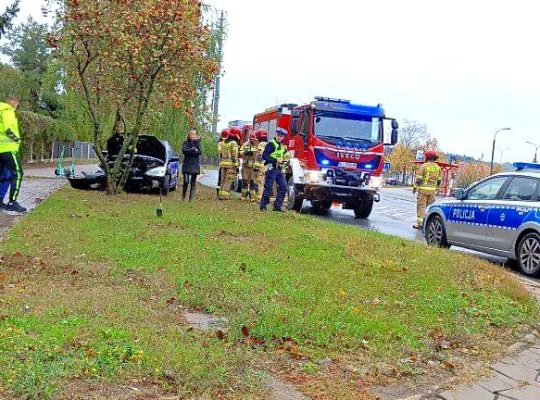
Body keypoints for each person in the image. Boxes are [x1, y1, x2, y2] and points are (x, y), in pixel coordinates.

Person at [0, 96, 26, 213]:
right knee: (18, 174)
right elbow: (8, 130)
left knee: (3, 176)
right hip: (9, 148)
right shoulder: (8, 111)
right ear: (14, 103)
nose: (16, 108)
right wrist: (17, 140)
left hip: (1, 150)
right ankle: (12, 202)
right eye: (17, 106)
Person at [260, 127, 289, 212]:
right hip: (271, 168)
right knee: (268, 187)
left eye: (281, 136)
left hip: (279, 169)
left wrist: (286, 159)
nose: (279, 137)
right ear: (276, 135)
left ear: (283, 137)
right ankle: (263, 206)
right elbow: (264, 156)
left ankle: (277, 207)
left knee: (284, 187)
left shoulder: (282, 146)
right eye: (278, 135)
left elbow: (284, 155)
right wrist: (276, 160)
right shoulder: (271, 144)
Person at [413, 150, 441, 229]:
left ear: (427, 157)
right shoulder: (437, 167)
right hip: (432, 191)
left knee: (421, 207)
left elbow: (419, 180)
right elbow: (439, 180)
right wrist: (437, 188)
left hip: (423, 190)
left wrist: (415, 187)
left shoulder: (424, 166)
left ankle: (420, 224)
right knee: (430, 208)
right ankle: (429, 224)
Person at [181, 128, 202, 201]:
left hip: (194, 165)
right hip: (186, 164)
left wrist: (191, 151)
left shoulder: (198, 143)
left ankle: (191, 199)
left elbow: (199, 152)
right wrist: (193, 149)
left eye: (193, 134)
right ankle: (183, 197)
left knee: (193, 183)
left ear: (196, 135)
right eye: (190, 133)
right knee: (186, 181)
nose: (191, 135)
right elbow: (184, 151)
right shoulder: (185, 143)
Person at [218, 129, 239, 200]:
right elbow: (234, 155)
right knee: (228, 180)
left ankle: (220, 194)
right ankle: (225, 196)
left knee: (222, 180)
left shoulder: (223, 142)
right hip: (230, 165)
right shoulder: (233, 143)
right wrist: (236, 165)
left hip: (223, 164)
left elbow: (221, 153)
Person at [239, 132, 259, 201]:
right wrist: (246, 152)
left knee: (252, 182)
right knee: (244, 181)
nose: (251, 140)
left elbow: (259, 154)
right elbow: (240, 152)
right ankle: (243, 196)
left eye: (253, 138)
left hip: (253, 167)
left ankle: (252, 197)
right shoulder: (245, 144)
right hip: (245, 166)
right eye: (250, 138)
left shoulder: (257, 145)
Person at [253, 129, 268, 203]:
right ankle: (259, 198)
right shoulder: (267, 144)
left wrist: (256, 166)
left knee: (259, 183)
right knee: (261, 182)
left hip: (260, 166)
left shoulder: (261, 144)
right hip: (264, 166)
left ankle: (259, 199)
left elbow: (260, 155)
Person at [216, 128, 230, 196]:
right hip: (225, 164)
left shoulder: (221, 143)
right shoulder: (222, 143)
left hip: (223, 164)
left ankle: (220, 192)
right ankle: (221, 192)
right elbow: (220, 150)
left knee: (222, 178)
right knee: (224, 179)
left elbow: (219, 150)